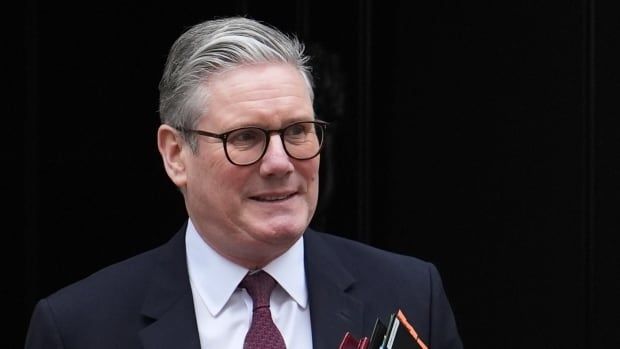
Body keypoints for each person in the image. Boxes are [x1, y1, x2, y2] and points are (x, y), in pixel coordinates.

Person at [25, 16, 463, 349]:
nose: (279, 162)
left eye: (297, 131)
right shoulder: (80, 327)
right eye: (245, 137)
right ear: (176, 155)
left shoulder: (408, 293)